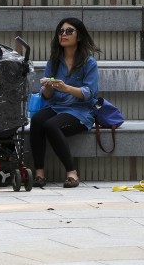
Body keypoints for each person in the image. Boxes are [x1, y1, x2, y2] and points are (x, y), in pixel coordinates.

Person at [30, 17, 100, 188]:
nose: (64, 34)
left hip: (80, 111)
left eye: (69, 31)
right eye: (61, 31)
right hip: (56, 106)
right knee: (37, 120)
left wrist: (65, 88)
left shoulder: (88, 62)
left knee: (51, 126)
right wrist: (48, 87)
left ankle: (71, 172)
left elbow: (89, 94)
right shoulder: (53, 61)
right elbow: (46, 96)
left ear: (79, 36)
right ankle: (39, 173)